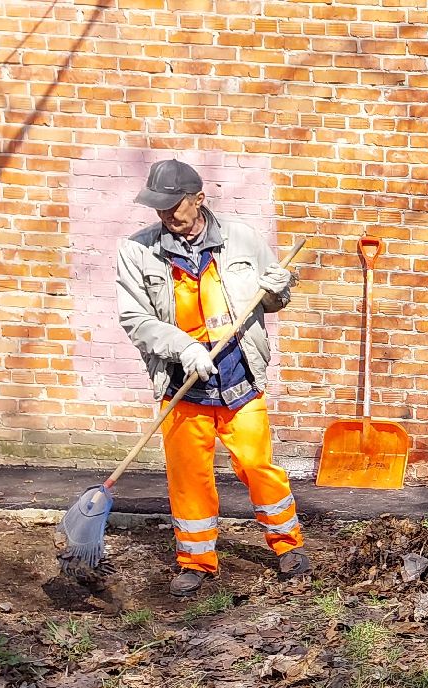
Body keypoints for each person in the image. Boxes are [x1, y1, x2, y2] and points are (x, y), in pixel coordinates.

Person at [116, 159, 307, 597]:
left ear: (199, 199)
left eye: (173, 204)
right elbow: (133, 317)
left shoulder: (241, 240)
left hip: (239, 377)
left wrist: (279, 286)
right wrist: (182, 347)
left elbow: (273, 302)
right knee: (189, 477)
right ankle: (196, 561)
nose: (165, 214)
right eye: (158, 206)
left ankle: (288, 546)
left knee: (258, 466)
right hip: (182, 384)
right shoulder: (137, 251)